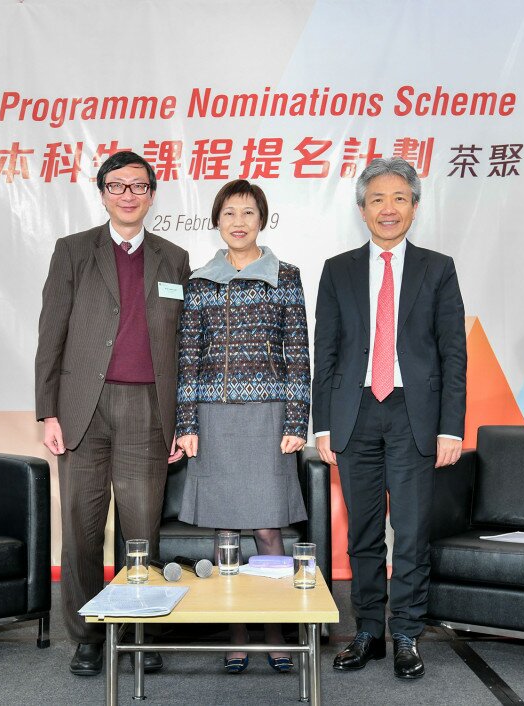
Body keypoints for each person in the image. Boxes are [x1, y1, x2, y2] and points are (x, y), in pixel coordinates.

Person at [34, 151, 190, 676]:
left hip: (149, 408)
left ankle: (138, 633)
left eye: (139, 186)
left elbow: (184, 345)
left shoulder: (174, 258)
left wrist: (181, 418)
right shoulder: (74, 251)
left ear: (152, 194)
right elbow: (50, 332)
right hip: (83, 408)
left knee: (141, 529)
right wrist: (47, 410)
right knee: (81, 527)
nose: (128, 195)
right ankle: (87, 635)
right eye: (117, 186)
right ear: (102, 193)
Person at [313, 157, 467, 679]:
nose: (388, 208)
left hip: (414, 414)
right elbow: (326, 353)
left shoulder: (437, 268)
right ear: (362, 209)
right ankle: (367, 631)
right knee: (363, 532)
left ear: (415, 208)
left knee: (411, 529)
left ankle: (406, 633)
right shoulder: (337, 270)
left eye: (399, 198)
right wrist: (323, 423)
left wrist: (451, 426)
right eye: (377, 199)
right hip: (354, 412)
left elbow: (453, 353)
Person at [175, 179, 310, 675]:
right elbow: (186, 358)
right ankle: (234, 632)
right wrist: (185, 423)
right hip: (212, 416)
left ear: (262, 220)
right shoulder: (198, 281)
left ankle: (275, 630)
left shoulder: (286, 276)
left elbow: (298, 354)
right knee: (225, 531)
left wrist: (298, 419)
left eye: (248, 213)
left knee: (269, 529)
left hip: (269, 416)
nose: (238, 221)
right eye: (229, 213)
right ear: (217, 221)